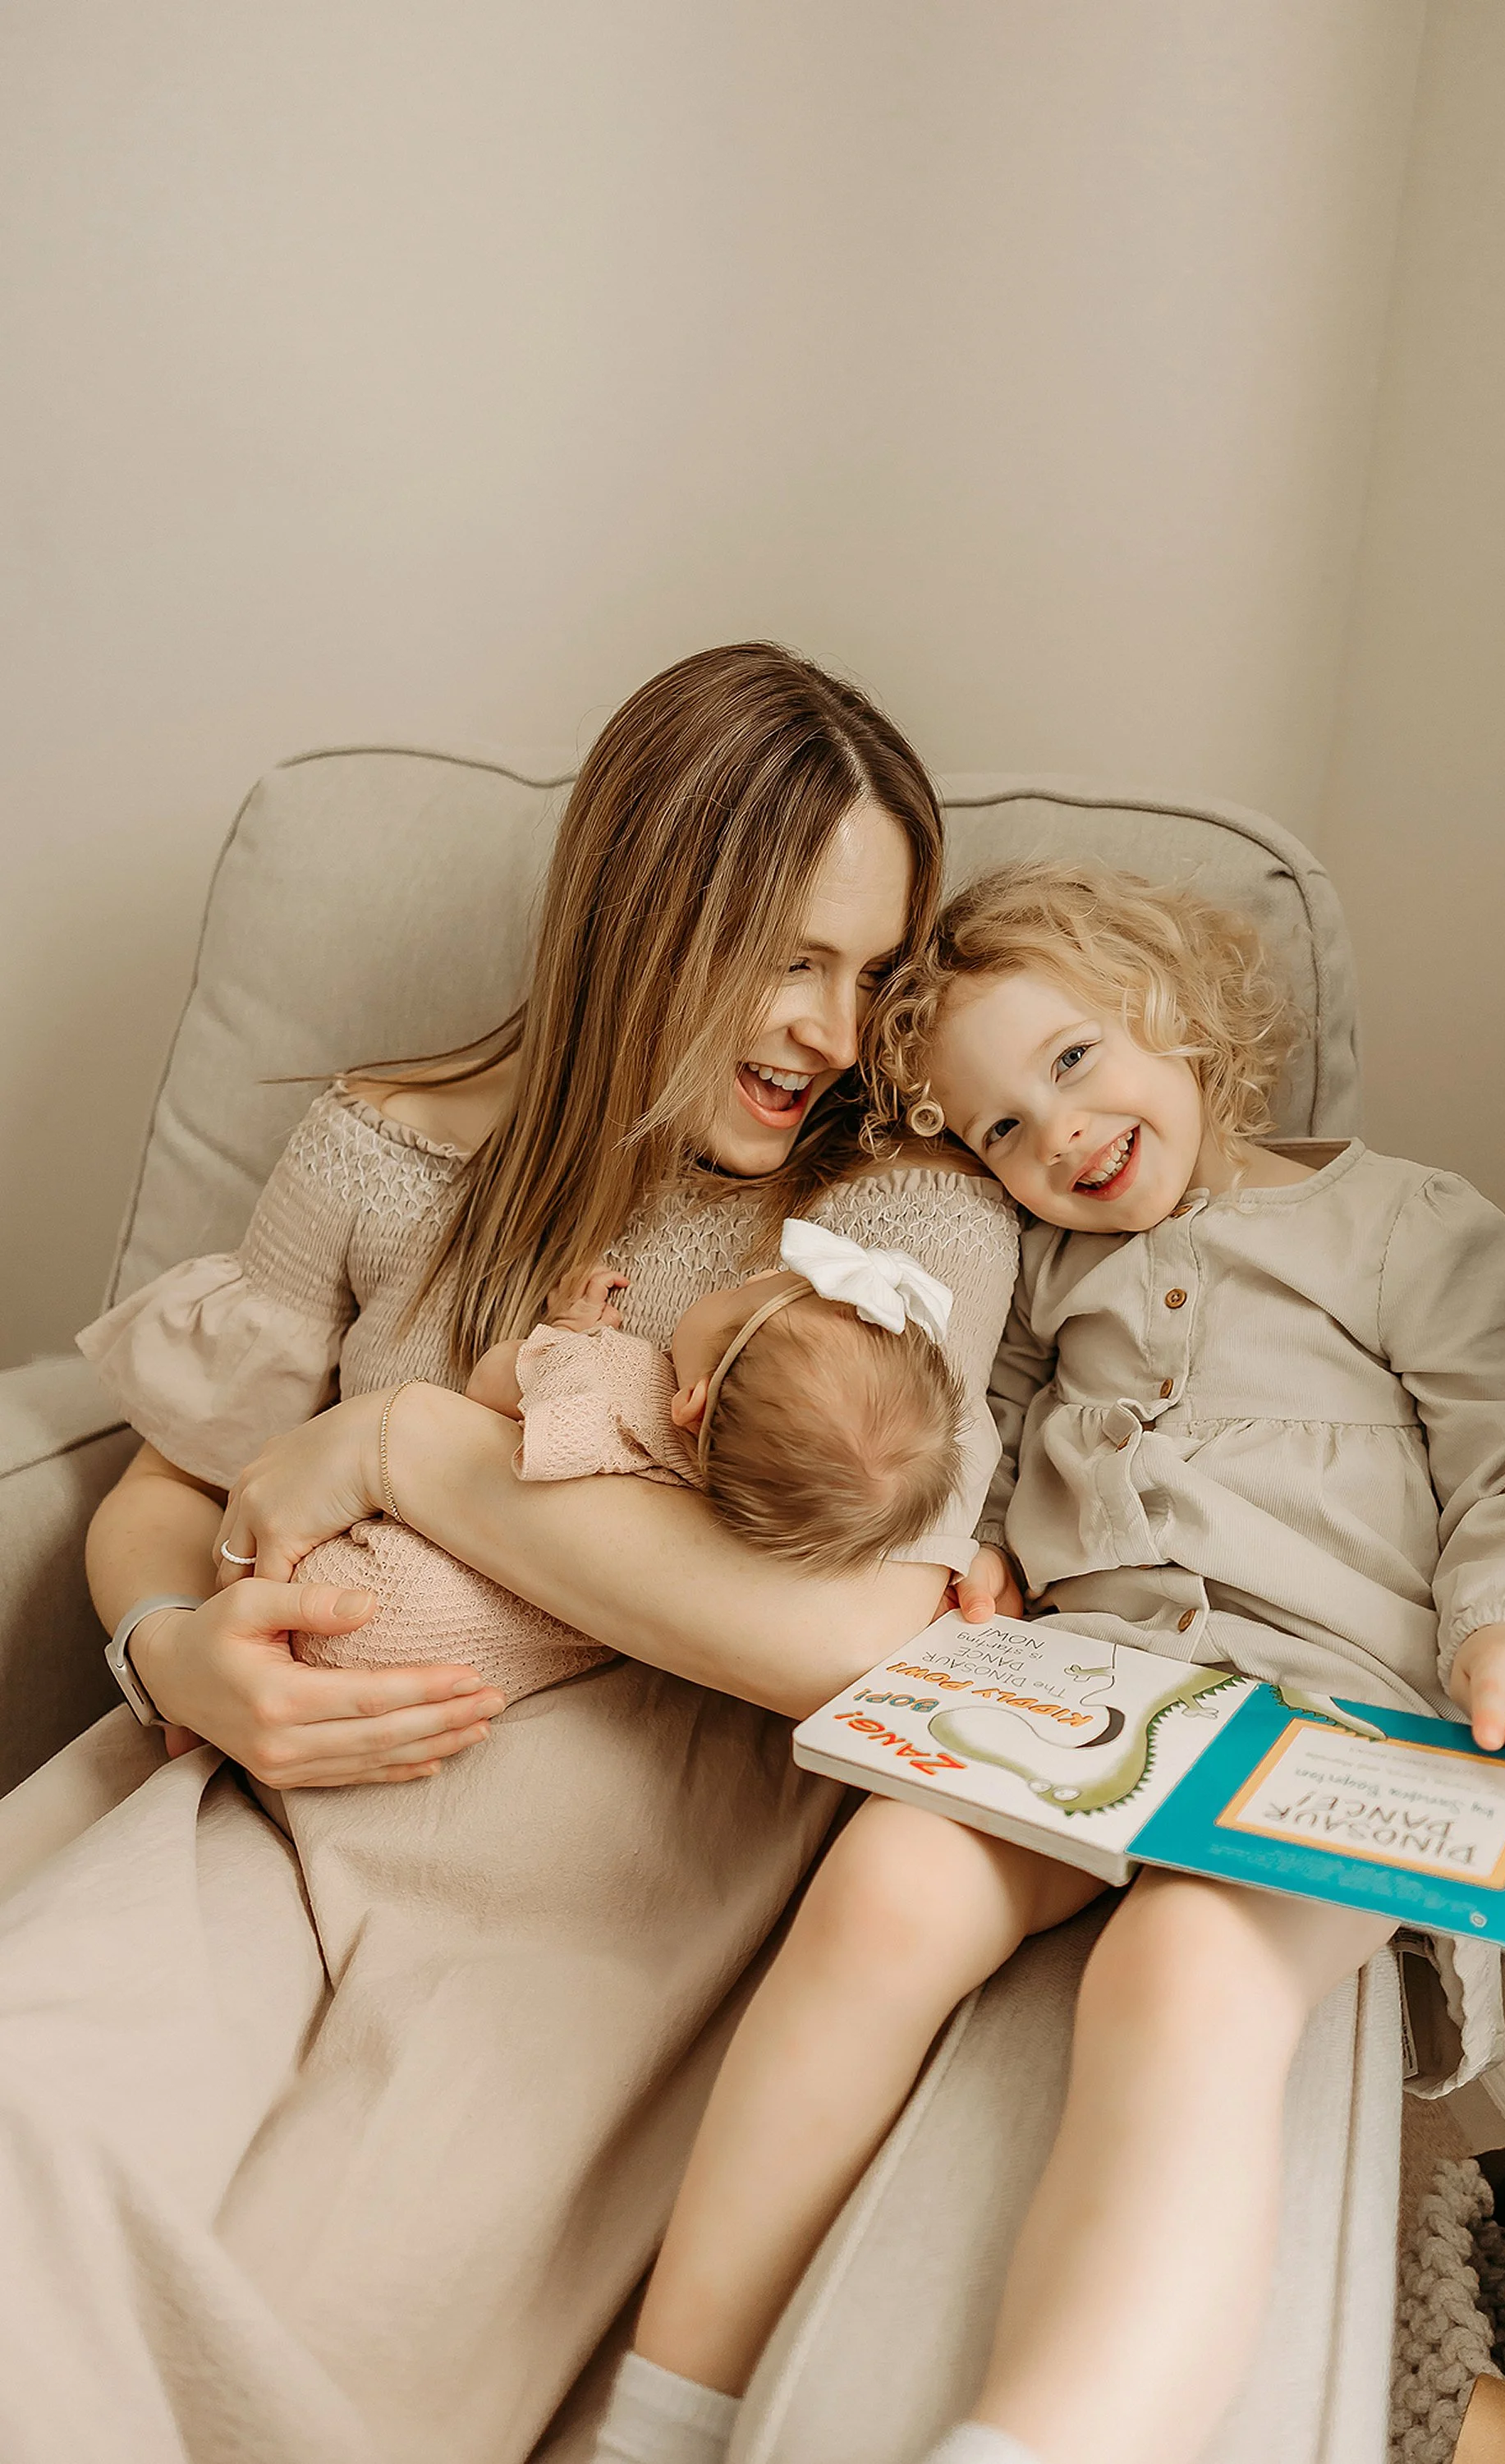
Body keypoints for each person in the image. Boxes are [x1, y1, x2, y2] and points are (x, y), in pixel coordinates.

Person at [0, 645, 1021, 2464]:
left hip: (592, 1898)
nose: (830, 1029)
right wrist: (167, 1643)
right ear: (637, 913)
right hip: (265, 1799)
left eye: (872, 971)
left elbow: (863, 1641)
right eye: (785, 955)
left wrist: (412, 1440)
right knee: (30, 2121)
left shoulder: (891, 1215)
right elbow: (169, 1490)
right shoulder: (382, 1148)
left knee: (321, 2344)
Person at [587, 860, 1505, 2464]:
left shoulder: (1400, 1222)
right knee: (882, 1891)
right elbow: (974, 1443)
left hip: (1333, 1720)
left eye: (1073, 1063)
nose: (1055, 1138)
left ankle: (1032, 2443)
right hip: (1091, 1695)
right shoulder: (1040, 1282)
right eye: (1001, 1127)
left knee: (1186, 1974)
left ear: (1181, 1016)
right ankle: (661, 2413)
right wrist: (978, 1543)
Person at [291, 1223, 965, 1705]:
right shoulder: (729, 1521)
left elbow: (492, 1385)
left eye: (751, 1292)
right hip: (455, 1669)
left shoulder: (624, 1376)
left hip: (367, 1595)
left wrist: (567, 1335)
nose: (756, 1273)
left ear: (693, 1404)